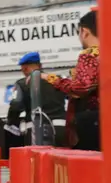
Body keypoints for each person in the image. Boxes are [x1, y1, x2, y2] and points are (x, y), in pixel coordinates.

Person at [46, 10, 100, 151]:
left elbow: (82, 88)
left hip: (95, 121)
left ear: (84, 31)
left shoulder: (91, 55)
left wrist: (52, 79)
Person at [6, 51, 67, 146]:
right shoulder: (57, 80)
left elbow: (15, 105)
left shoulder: (22, 83)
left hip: (36, 130)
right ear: (40, 65)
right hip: (60, 128)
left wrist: (10, 121)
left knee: (36, 160)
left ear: (24, 68)